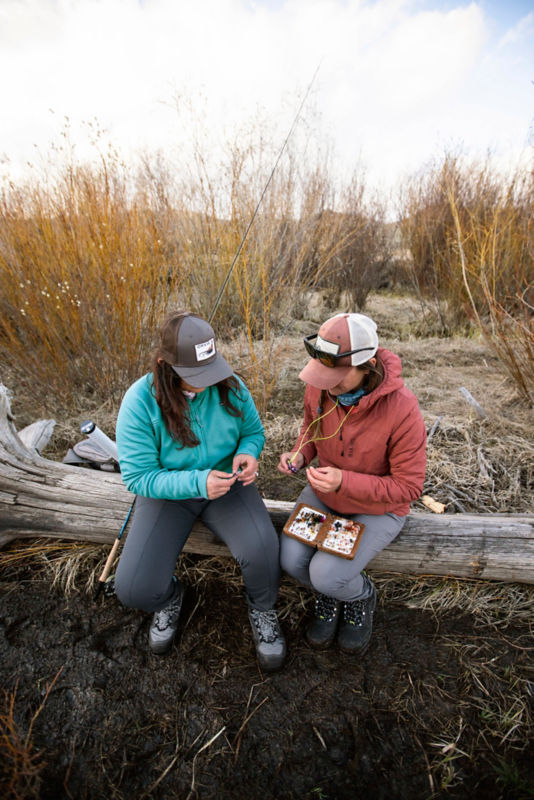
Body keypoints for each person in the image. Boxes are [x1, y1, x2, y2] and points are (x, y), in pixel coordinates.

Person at [114, 311, 286, 671]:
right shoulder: (139, 402)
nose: (206, 384)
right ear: (165, 364)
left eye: (210, 371)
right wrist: (195, 482)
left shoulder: (231, 386)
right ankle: (171, 597)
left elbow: (253, 433)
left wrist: (248, 454)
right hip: (168, 493)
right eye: (195, 377)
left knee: (263, 548)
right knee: (133, 590)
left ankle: (262, 610)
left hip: (228, 487)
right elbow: (138, 477)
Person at [277, 312, 426, 653]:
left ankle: (359, 596)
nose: (327, 385)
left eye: (338, 378)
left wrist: (344, 482)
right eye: (322, 375)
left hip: (378, 509)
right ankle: (332, 594)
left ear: (368, 365)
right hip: (326, 496)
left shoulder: (402, 409)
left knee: (326, 573)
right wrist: (300, 454)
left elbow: (409, 488)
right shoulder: (320, 385)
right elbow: (311, 428)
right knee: (291, 560)